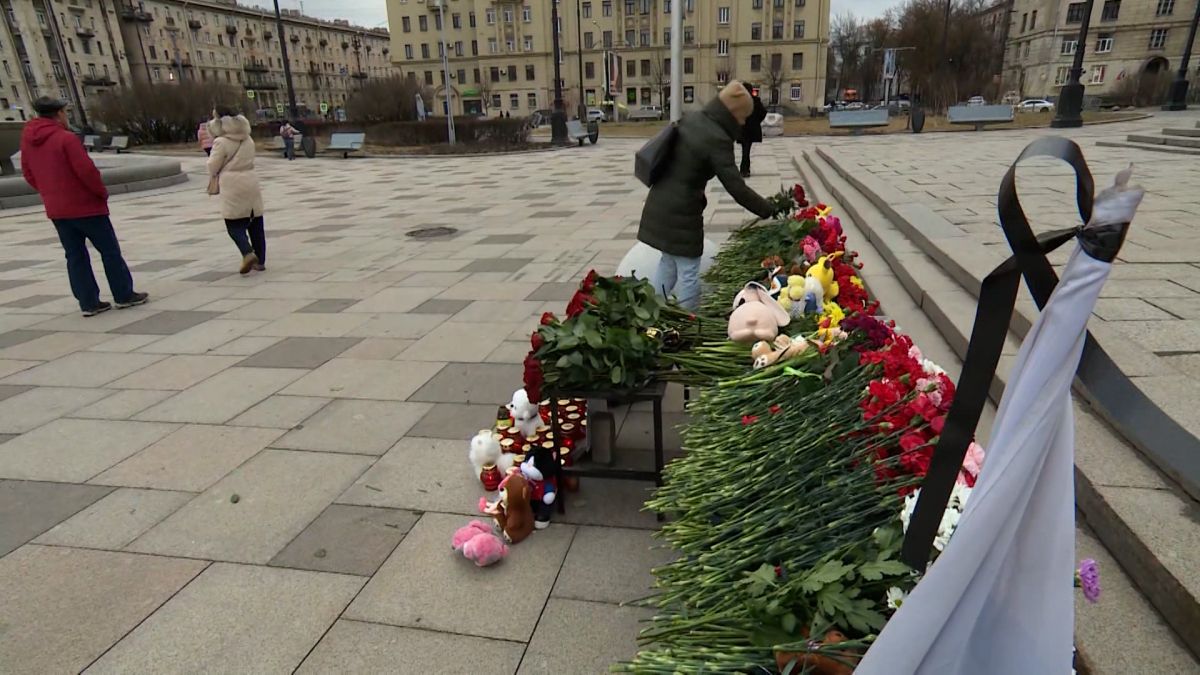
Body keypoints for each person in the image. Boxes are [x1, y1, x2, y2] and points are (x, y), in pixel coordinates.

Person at [637, 81, 775, 310]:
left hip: (660, 201)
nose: (743, 123)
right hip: (682, 213)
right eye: (743, 117)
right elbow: (737, 188)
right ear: (734, 114)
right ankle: (688, 324)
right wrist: (767, 208)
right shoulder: (718, 138)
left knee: (668, 262)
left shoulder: (693, 118)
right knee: (689, 270)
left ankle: (652, 311)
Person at [20, 97, 149, 317]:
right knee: (109, 251)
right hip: (86, 206)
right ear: (59, 114)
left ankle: (88, 302)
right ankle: (124, 294)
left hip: (57, 210)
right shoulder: (65, 138)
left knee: (75, 256)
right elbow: (86, 171)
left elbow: (28, 173)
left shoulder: (28, 140)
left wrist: (48, 193)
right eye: (65, 112)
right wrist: (100, 193)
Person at [207, 106, 267, 274]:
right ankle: (260, 261)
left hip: (232, 182)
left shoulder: (221, 142)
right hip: (250, 179)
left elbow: (213, 166)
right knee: (255, 222)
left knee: (233, 223)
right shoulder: (248, 139)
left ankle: (247, 253)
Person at [740, 84, 767, 177]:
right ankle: (745, 169)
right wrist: (756, 121)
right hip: (751, 129)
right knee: (746, 149)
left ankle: (744, 169)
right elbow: (763, 112)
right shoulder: (755, 100)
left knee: (745, 149)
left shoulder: (740, 101)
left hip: (743, 129)